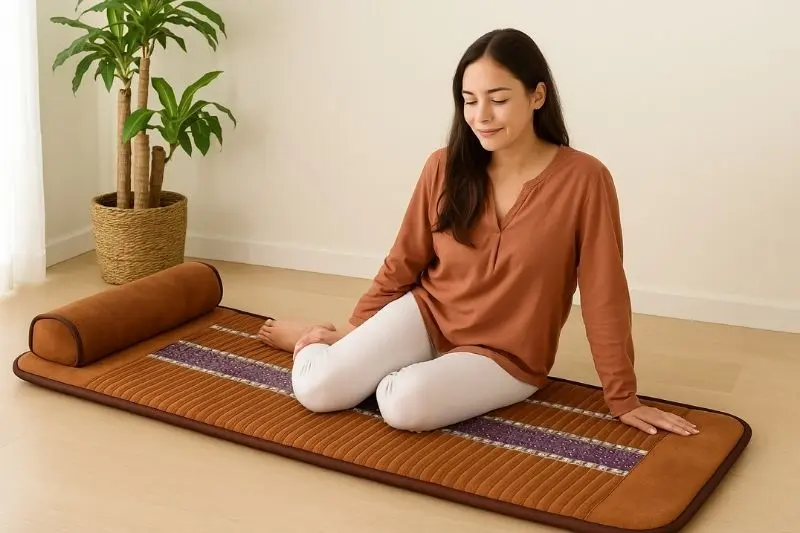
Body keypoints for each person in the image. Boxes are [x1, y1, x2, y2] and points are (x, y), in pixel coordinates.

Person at [259, 28, 699, 438]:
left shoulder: (585, 179)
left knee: (404, 405)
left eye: (498, 99)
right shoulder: (444, 165)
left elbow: (604, 291)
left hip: (505, 355)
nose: (481, 116)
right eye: (469, 100)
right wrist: (353, 335)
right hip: (428, 313)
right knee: (318, 390)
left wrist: (622, 397)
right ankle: (313, 340)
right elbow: (404, 260)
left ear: (537, 95)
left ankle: (393, 368)